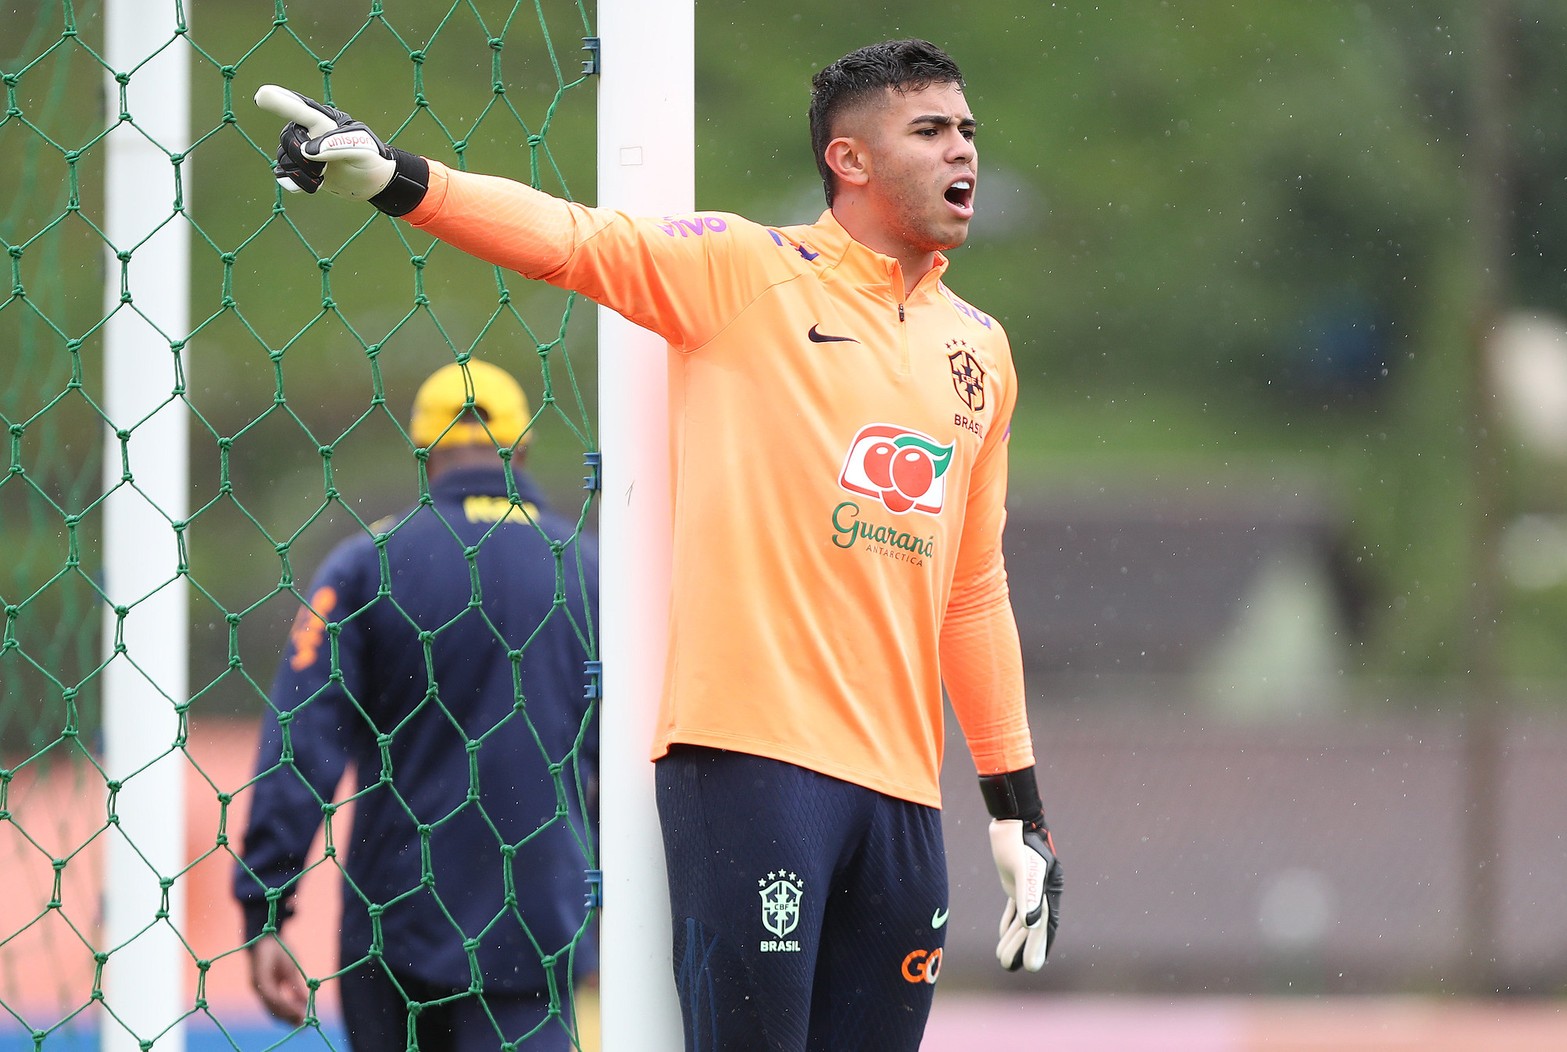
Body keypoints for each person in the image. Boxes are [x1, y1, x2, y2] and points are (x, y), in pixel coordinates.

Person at [253, 37, 1063, 1051]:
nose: (965, 152)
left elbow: (974, 589)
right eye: (932, 130)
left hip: (903, 790)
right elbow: (571, 238)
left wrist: (1015, 806)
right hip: (756, 762)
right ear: (850, 160)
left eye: (968, 131)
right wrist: (397, 179)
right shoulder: (743, 270)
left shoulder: (978, 347)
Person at [232, 360, 599, 1052]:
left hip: (394, 934)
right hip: (538, 930)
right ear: (522, 449)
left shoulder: (368, 562)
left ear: (424, 455)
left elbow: (302, 736)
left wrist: (265, 905)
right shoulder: (588, 569)